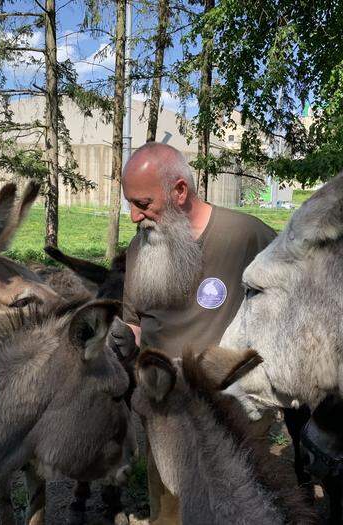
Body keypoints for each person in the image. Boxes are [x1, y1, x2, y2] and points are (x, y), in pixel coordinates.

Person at [118, 142, 276, 523]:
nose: (135, 217)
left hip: (230, 415)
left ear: (180, 192)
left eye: (142, 203)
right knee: (170, 512)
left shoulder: (247, 237)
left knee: (234, 509)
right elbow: (134, 324)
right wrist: (117, 340)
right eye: (131, 205)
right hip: (164, 415)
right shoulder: (140, 251)